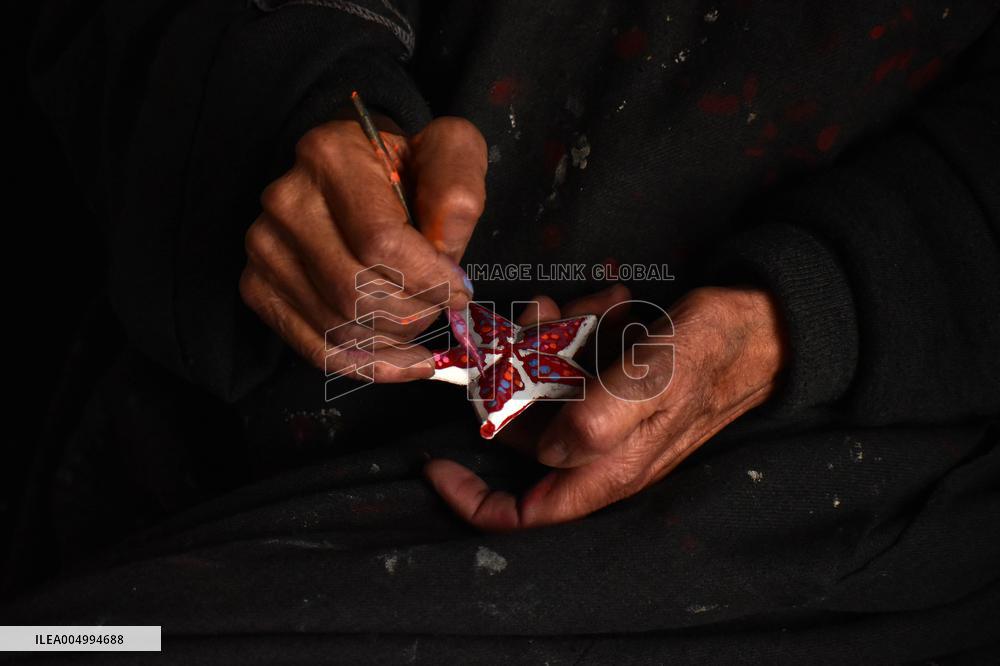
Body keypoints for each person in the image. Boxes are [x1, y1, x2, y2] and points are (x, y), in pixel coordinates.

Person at [5, 1, 999, 662]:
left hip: (822, 459)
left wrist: (802, 312)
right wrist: (292, 94)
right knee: (68, 642)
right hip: (219, 407)